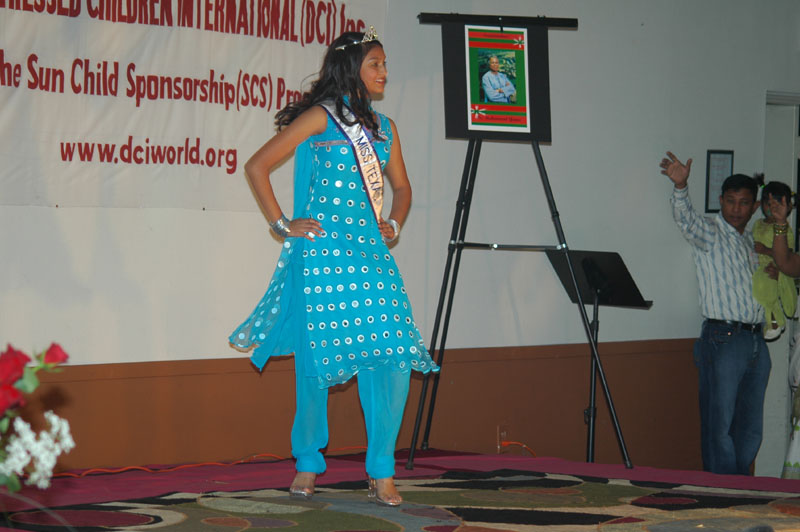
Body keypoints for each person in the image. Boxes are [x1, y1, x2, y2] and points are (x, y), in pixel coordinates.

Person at [229, 28, 439, 506]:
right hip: (324, 255)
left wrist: (395, 223)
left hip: (370, 255)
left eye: (384, 64)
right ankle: (307, 461)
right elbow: (257, 166)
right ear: (351, 69)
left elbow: (403, 188)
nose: (384, 72)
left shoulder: (386, 128)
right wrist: (282, 224)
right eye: (375, 64)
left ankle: (382, 469)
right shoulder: (322, 117)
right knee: (316, 361)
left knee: (393, 354)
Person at [660, 151, 771, 475]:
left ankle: (741, 488)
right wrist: (681, 186)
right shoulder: (710, 232)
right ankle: (722, 490)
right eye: (731, 201)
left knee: (750, 426)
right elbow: (686, 219)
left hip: (756, 340)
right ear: (721, 201)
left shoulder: (752, 242)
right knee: (719, 424)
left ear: (754, 206)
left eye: (744, 203)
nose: (736, 209)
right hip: (723, 337)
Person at [752, 179, 795, 341]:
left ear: (787, 207)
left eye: (777, 205)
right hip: (756, 266)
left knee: (765, 290)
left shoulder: (786, 230)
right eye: (768, 204)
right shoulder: (758, 224)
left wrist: (766, 250)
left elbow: (787, 255)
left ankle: (776, 321)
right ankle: (766, 320)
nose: (771, 209)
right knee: (758, 293)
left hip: (772, 267)